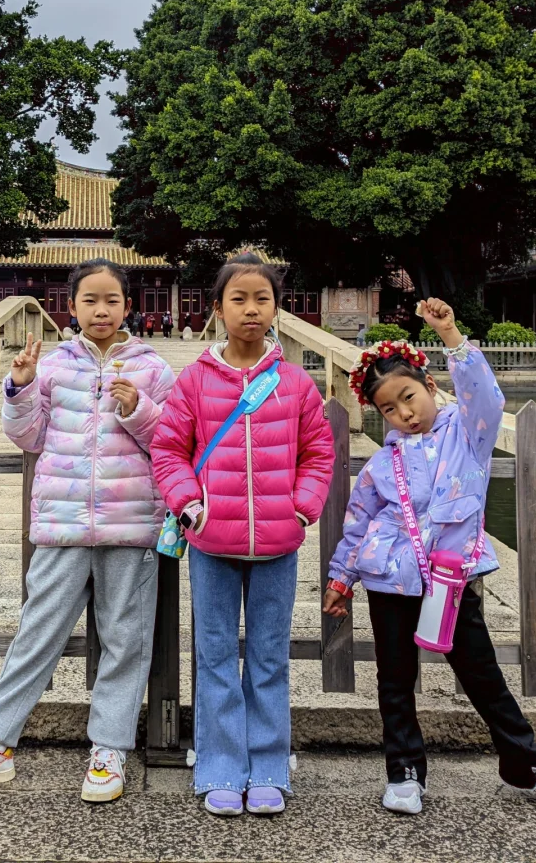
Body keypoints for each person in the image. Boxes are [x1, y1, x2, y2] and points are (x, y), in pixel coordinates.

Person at [323, 298, 536, 815]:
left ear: (429, 385)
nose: (405, 413)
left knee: (482, 675)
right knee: (394, 679)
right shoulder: (381, 464)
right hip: (388, 578)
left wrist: (451, 336)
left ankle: (526, 763)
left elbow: (486, 397)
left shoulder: (468, 435)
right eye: (390, 409)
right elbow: (358, 524)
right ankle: (404, 771)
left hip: (450, 580)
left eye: (409, 397)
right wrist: (341, 578)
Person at [0, 259, 175, 803]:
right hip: (62, 524)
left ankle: (109, 750)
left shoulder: (153, 368)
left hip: (131, 525)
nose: (101, 310)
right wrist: (19, 387)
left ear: (128, 306)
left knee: (125, 641)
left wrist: (139, 410)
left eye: (112, 300)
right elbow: (29, 437)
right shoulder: (55, 365)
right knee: (37, 634)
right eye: (90, 300)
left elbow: (172, 443)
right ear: (72, 306)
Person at [151, 254, 334, 817]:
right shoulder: (195, 381)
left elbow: (318, 453)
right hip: (211, 543)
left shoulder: (295, 383)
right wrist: (190, 506)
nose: (251, 309)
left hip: (278, 542)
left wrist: (302, 509)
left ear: (277, 308)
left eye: (262, 299)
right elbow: (168, 449)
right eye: (239, 299)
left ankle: (270, 765)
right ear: (218, 308)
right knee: (214, 656)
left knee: (269, 658)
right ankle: (220, 765)